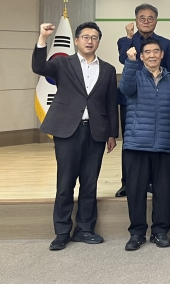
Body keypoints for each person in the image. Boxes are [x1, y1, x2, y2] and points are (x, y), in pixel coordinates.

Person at [32, 22, 118, 251]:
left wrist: (112, 133)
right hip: (67, 130)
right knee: (65, 183)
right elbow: (38, 66)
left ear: (99, 42)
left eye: (94, 37)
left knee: (90, 183)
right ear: (77, 40)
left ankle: (85, 229)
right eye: (85, 37)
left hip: (96, 131)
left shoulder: (108, 69)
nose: (90, 41)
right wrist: (43, 38)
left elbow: (111, 103)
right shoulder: (62, 63)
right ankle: (62, 232)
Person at [119, 38, 170, 251]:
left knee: (164, 190)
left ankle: (160, 231)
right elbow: (125, 89)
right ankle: (137, 233)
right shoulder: (134, 75)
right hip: (137, 143)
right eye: (147, 52)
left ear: (162, 54)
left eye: (156, 51)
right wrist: (130, 63)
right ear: (142, 56)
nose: (152, 55)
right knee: (136, 192)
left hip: (163, 144)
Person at [115, 3, 170, 198]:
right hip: (132, 99)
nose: (146, 21)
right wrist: (129, 38)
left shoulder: (166, 44)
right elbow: (123, 59)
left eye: (151, 18)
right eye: (142, 18)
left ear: (156, 21)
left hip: (158, 98)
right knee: (131, 142)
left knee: (156, 141)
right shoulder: (126, 41)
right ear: (136, 20)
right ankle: (127, 182)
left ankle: (150, 181)